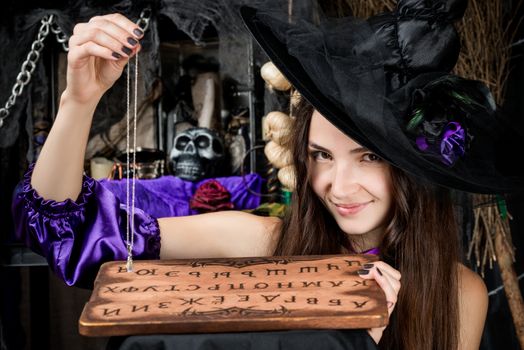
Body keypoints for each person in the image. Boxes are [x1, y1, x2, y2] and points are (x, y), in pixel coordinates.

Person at [11, 1, 524, 349]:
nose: (338, 186)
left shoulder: (460, 293)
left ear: (413, 166)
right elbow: (67, 230)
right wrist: (78, 102)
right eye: (321, 155)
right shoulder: (255, 239)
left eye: (369, 157)